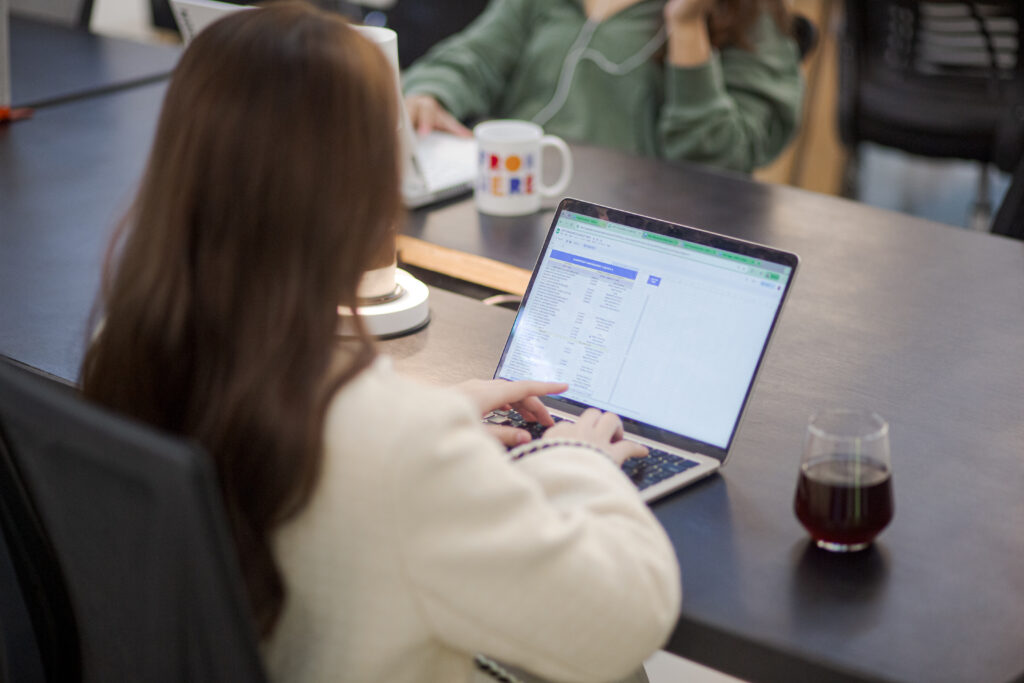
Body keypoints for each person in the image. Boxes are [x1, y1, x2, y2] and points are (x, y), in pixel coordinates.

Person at [78, 3, 681, 682]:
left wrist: (441, 419)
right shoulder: (397, 447)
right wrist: (574, 457)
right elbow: (627, 617)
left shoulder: (128, 342)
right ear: (356, 194)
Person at [403, 0, 803, 173]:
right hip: (519, 202)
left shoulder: (749, 15)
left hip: (636, 236)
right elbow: (474, 57)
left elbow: (723, 160)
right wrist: (430, 93)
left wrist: (686, 25)